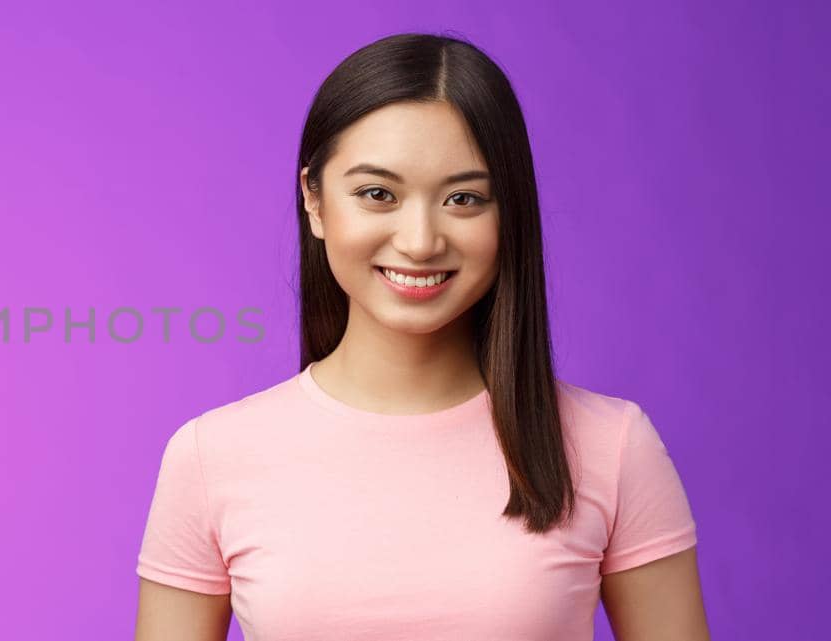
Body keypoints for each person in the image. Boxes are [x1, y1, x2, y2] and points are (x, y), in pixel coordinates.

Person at [134, 33, 709, 641]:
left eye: (463, 198)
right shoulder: (210, 456)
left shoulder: (613, 447)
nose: (420, 240)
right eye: (377, 194)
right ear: (315, 200)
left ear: (507, 212)